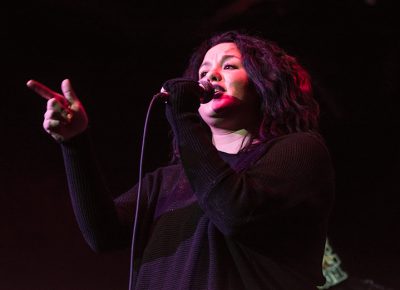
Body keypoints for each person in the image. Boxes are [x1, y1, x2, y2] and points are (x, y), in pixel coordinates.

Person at [27, 30, 335, 290]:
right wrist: (75, 142)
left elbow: (235, 212)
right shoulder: (168, 181)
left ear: (262, 81)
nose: (210, 75)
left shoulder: (299, 150)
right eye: (202, 73)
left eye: (229, 67)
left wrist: (182, 113)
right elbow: (102, 234)